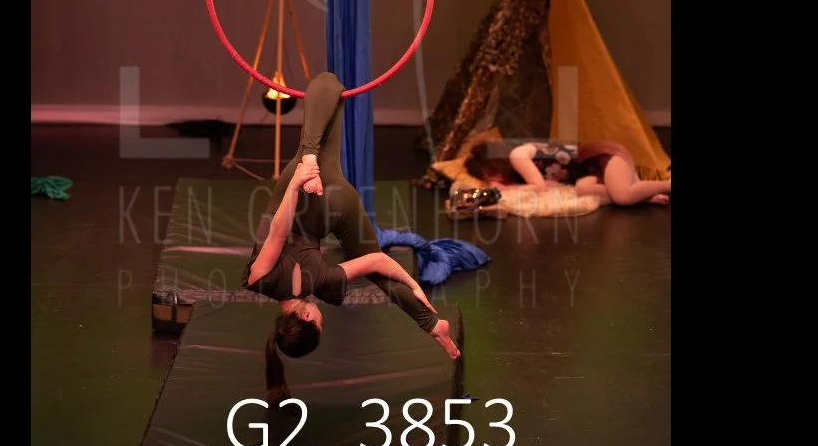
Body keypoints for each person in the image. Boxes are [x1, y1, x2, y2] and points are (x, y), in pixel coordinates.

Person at [242, 71, 460, 406]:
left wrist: (412, 284)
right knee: (326, 84)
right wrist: (298, 182)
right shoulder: (260, 280)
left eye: (320, 325)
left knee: (333, 100)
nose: (322, 321)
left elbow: (377, 261)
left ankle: (431, 324)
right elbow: (277, 232)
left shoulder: (323, 282)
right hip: (302, 194)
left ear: (305, 317)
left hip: (335, 204)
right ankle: (309, 155)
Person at [465, 139, 670, 206]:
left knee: (622, 196)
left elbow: (539, 187)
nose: (492, 179)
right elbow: (550, 186)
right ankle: (642, 194)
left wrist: (505, 190)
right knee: (583, 190)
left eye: (489, 173)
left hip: (604, 157)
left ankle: (665, 185)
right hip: (591, 171)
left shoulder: (517, 155)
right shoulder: (516, 169)